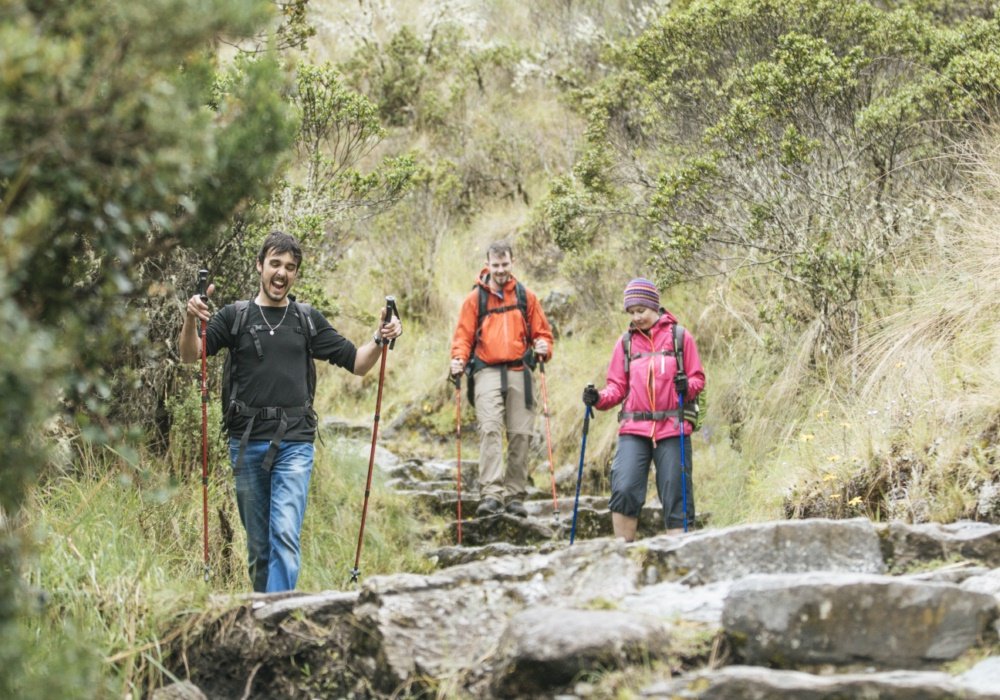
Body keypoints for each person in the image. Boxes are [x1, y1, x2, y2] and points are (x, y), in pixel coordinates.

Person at [178, 230, 402, 592]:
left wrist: (380, 337)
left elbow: (358, 364)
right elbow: (191, 355)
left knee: (284, 533)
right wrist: (191, 318)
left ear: (296, 274)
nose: (282, 273)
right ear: (260, 266)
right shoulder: (235, 317)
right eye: (275, 264)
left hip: (295, 443)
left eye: (290, 267)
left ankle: (278, 616)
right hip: (245, 443)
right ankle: (266, 610)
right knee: (259, 547)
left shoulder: (306, 320)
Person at [582, 278, 704, 541]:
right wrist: (597, 398)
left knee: (676, 492)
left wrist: (687, 386)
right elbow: (616, 388)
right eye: (631, 312)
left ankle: (680, 558)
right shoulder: (625, 343)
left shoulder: (680, 337)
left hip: (673, 427)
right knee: (624, 487)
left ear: (654, 307)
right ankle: (623, 556)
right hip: (634, 428)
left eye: (641, 311)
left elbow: (697, 380)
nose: (636, 317)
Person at [450, 241, 555, 518]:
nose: (500, 270)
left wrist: (544, 346)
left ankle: (515, 496)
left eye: (504, 264)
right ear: (488, 264)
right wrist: (459, 360)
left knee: (521, 434)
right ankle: (492, 495)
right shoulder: (475, 300)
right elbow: (463, 336)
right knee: (490, 429)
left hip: (521, 371)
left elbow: (542, 333)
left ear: (512, 262)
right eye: (495, 265)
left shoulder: (526, 296)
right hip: (486, 371)